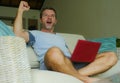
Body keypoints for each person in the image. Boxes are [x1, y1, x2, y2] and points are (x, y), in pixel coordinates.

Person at [13, 1, 117, 83]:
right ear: (41, 20)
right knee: (54, 51)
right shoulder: (34, 33)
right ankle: (86, 79)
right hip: (52, 61)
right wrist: (20, 11)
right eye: (45, 15)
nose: (49, 17)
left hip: (69, 63)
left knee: (111, 55)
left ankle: (75, 75)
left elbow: (68, 55)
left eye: (52, 16)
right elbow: (17, 35)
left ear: (55, 21)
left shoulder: (60, 38)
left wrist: (80, 56)